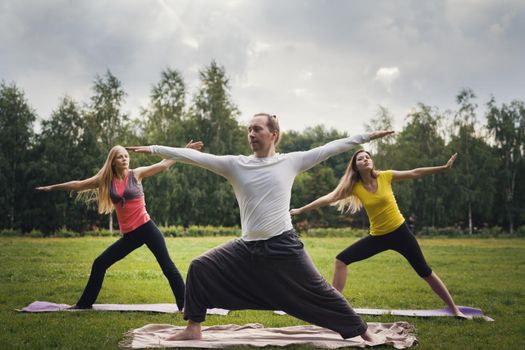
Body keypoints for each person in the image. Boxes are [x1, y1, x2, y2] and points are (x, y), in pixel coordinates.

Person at [127, 113, 393, 342]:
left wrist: (367, 137)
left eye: (257, 129)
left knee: (321, 291)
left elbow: (334, 147)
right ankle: (193, 328)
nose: (251, 134)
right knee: (200, 267)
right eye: (249, 130)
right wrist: (153, 148)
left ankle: (363, 331)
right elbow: (193, 157)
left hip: (283, 246)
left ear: (274, 134)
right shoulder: (236, 165)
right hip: (247, 248)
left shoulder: (291, 161)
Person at [290, 149, 468, 318]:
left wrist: (443, 168)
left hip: (401, 233)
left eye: (367, 157)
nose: (365, 159)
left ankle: (454, 309)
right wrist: (301, 210)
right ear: (355, 167)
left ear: (372, 162)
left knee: (425, 271)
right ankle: (335, 308)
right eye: (360, 158)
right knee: (341, 260)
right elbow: (328, 198)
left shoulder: (386, 176)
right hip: (378, 237)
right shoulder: (355, 187)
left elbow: (415, 172)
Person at [36, 140, 203, 310]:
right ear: (113, 161)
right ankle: (84, 304)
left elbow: (164, 165)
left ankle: (186, 305)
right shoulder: (106, 180)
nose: (124, 159)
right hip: (130, 235)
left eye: (126, 156)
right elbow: (79, 184)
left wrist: (184, 150)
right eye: (120, 157)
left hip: (146, 228)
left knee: (168, 267)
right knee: (100, 263)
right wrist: (52, 188)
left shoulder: (136, 174)